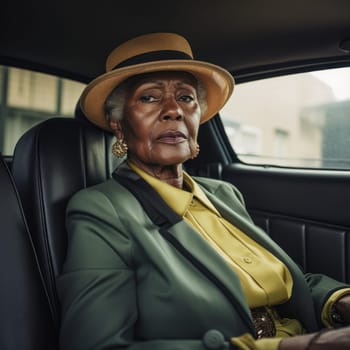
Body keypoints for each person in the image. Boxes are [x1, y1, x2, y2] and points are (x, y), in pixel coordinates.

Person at [58, 33, 350, 350]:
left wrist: (337, 301)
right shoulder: (101, 209)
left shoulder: (224, 194)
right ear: (119, 124)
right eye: (149, 98)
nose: (174, 110)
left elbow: (279, 280)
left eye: (186, 98)